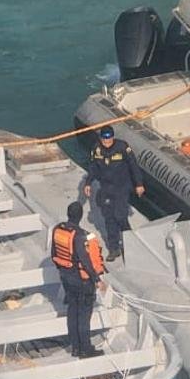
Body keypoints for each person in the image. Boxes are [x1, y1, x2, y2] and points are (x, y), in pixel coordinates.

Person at [49, 202, 106, 359]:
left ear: (68, 214)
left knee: (72, 312)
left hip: (66, 278)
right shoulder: (79, 235)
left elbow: (53, 253)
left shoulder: (58, 229)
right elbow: (85, 260)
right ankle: (85, 349)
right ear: (80, 216)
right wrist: (97, 279)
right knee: (83, 316)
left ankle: (75, 348)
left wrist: (63, 270)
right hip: (81, 282)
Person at [81, 125, 145, 260]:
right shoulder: (97, 149)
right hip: (106, 187)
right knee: (109, 218)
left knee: (120, 216)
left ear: (113, 137)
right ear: (101, 138)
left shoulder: (122, 147)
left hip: (122, 186)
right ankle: (113, 248)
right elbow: (93, 167)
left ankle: (130, 243)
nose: (107, 141)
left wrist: (139, 184)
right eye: (104, 138)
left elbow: (133, 166)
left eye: (109, 137)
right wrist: (88, 183)